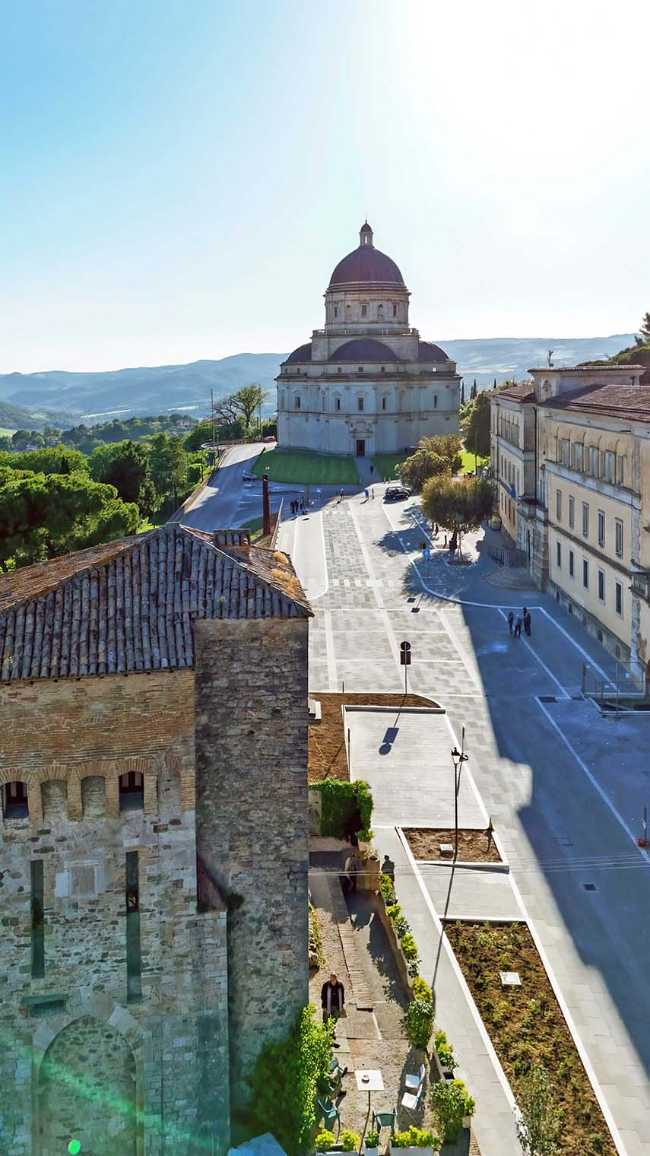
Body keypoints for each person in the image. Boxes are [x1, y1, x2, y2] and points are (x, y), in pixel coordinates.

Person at [321, 972, 345, 1040]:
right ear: (330, 978)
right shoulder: (326, 985)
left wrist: (341, 1006)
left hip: (336, 1006)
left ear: (336, 979)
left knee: (334, 1020)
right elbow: (323, 996)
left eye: (334, 979)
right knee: (325, 1020)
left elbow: (342, 996)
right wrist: (323, 1006)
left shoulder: (340, 985)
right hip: (327, 1005)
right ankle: (325, 1034)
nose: (332, 981)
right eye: (331, 979)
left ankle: (332, 1032)